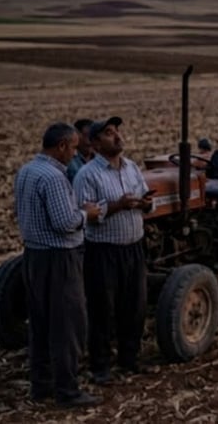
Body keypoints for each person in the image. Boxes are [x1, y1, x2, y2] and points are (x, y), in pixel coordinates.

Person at [13, 122, 102, 408]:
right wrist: (87, 214)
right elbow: (65, 222)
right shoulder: (54, 177)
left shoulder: (27, 170)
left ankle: (41, 385)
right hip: (60, 259)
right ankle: (68, 391)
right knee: (67, 326)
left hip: (34, 256)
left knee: (40, 324)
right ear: (61, 146)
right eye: (74, 148)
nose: (75, 154)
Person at [71, 116, 152, 384]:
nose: (117, 136)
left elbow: (146, 198)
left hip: (134, 247)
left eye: (117, 131)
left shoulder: (132, 168)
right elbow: (85, 214)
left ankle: (130, 359)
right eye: (109, 133)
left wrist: (145, 204)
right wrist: (118, 205)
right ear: (95, 144)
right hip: (104, 250)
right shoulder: (87, 175)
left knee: (135, 306)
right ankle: (101, 367)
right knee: (103, 309)